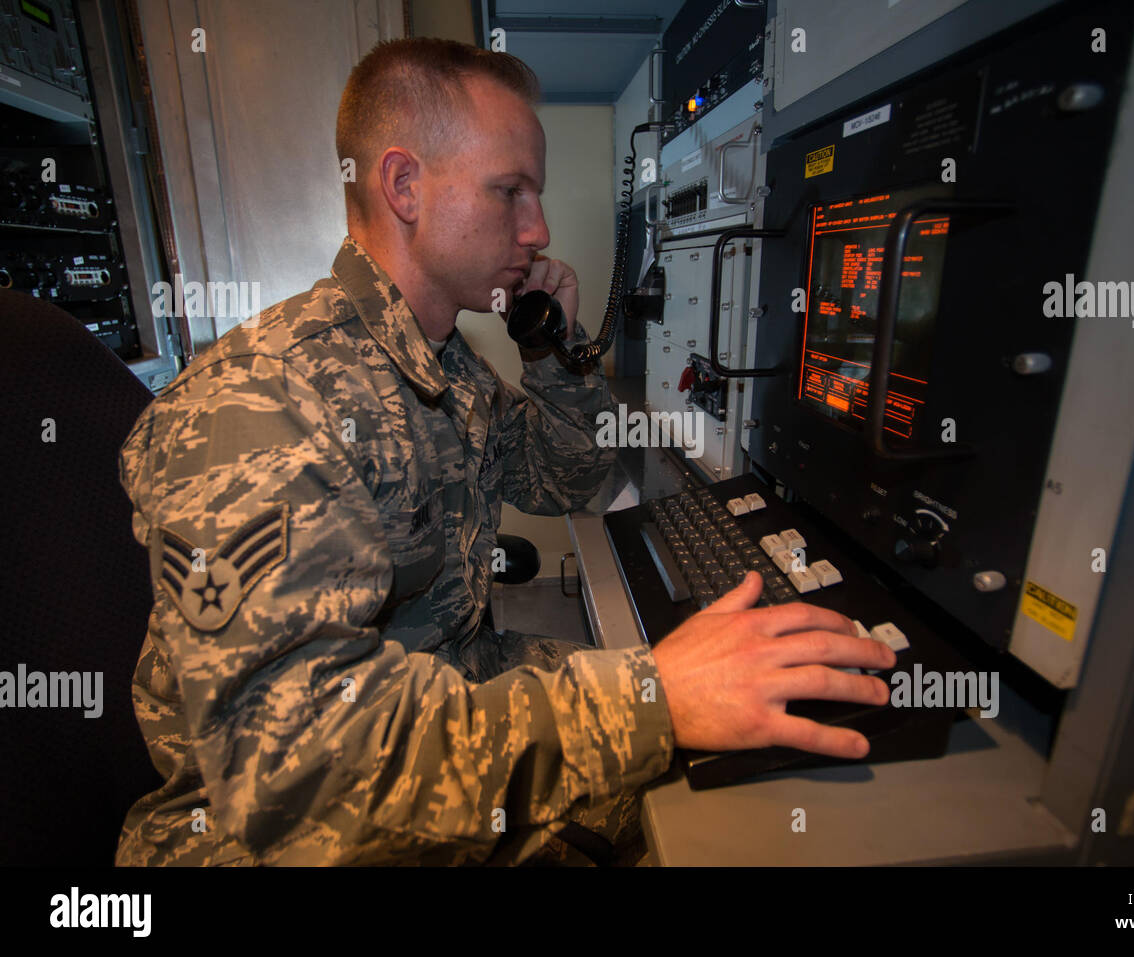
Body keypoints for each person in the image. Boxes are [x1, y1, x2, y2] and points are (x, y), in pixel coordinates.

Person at [115, 37, 897, 866]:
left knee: (737, 755)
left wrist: (550, 352)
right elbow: (298, 771)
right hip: (273, 837)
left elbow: (569, 479)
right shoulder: (262, 401)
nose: (540, 227)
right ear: (405, 187)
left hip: (452, 685)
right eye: (510, 191)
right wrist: (655, 697)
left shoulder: (447, 362)